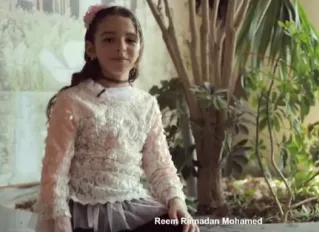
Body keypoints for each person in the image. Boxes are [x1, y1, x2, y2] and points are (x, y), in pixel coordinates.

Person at [28, 4, 200, 232]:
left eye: (130, 40)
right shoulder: (72, 101)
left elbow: (160, 165)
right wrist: (61, 223)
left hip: (133, 209)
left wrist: (175, 200)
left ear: (139, 49)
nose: (121, 48)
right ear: (91, 49)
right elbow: (55, 173)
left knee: (180, 226)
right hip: (83, 215)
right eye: (109, 40)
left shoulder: (146, 104)